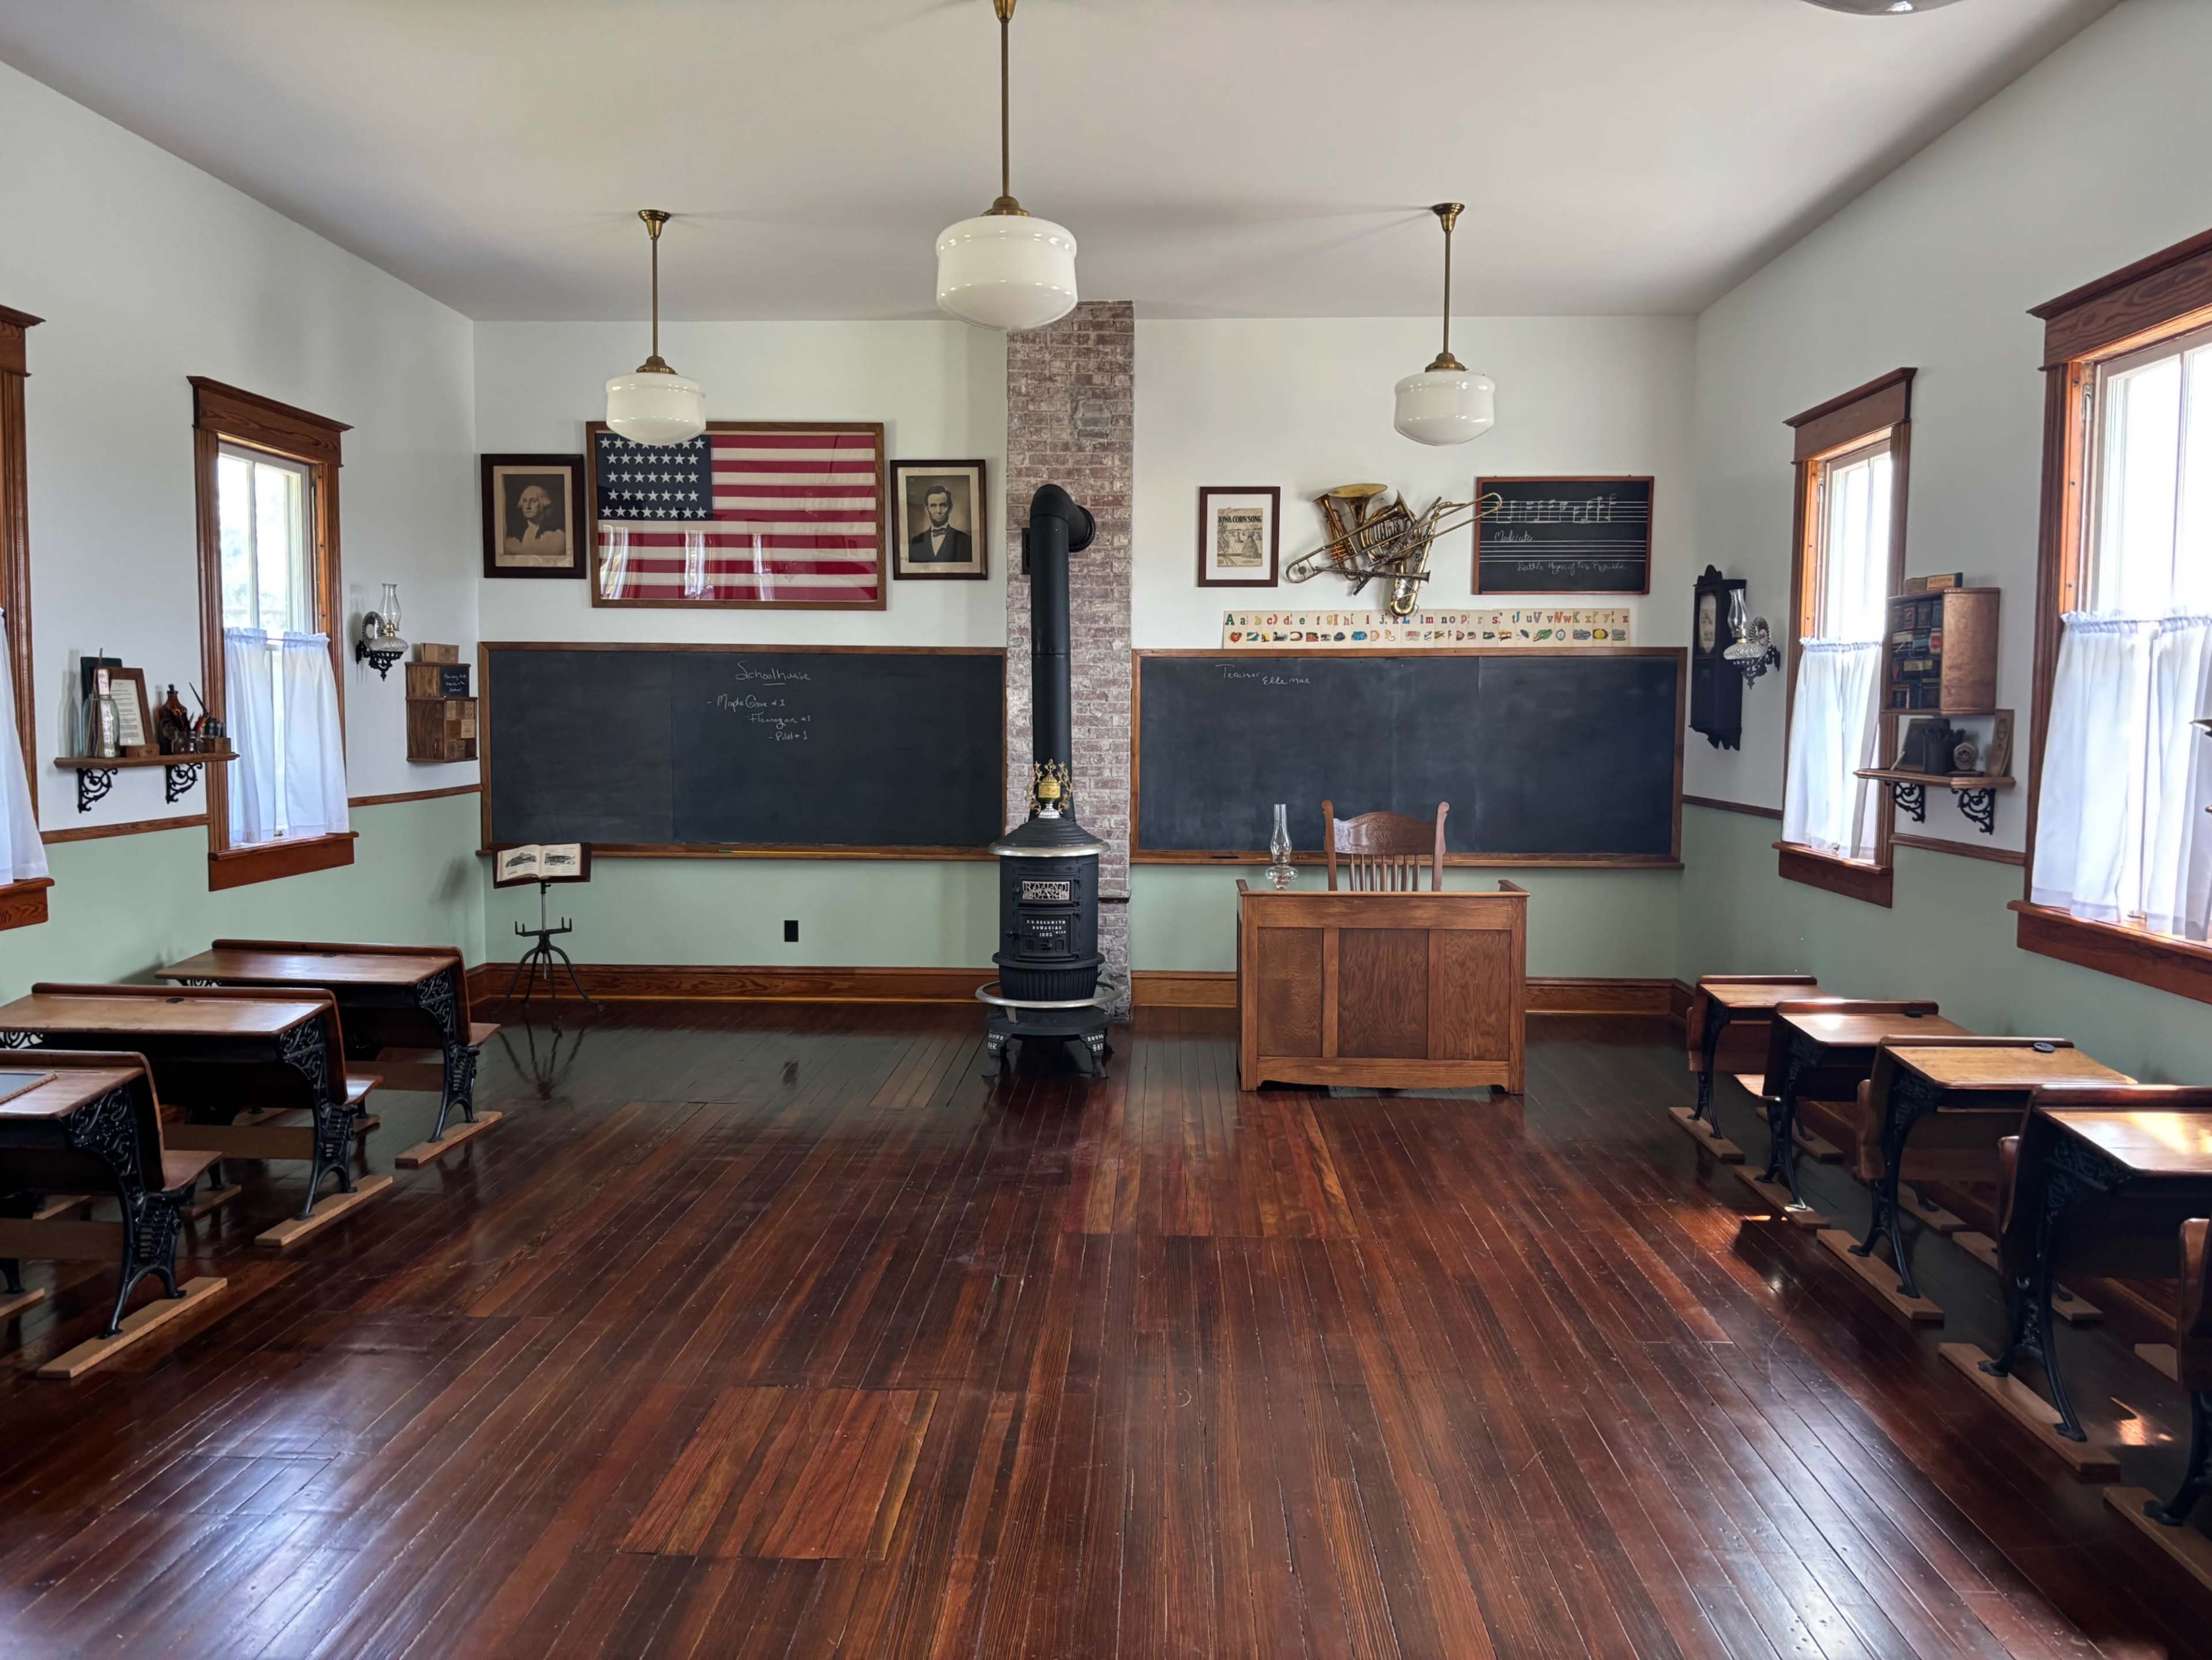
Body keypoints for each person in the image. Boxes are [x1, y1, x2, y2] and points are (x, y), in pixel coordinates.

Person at [503, 481, 569, 565]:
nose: (528, 506)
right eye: (525, 501)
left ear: (543, 504)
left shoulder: (556, 533)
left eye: (533, 501)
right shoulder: (515, 533)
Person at [907, 483, 971, 566]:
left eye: (943, 505)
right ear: (927, 509)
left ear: (950, 508)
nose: (938, 511)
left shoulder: (966, 541)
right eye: (933, 506)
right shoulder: (917, 541)